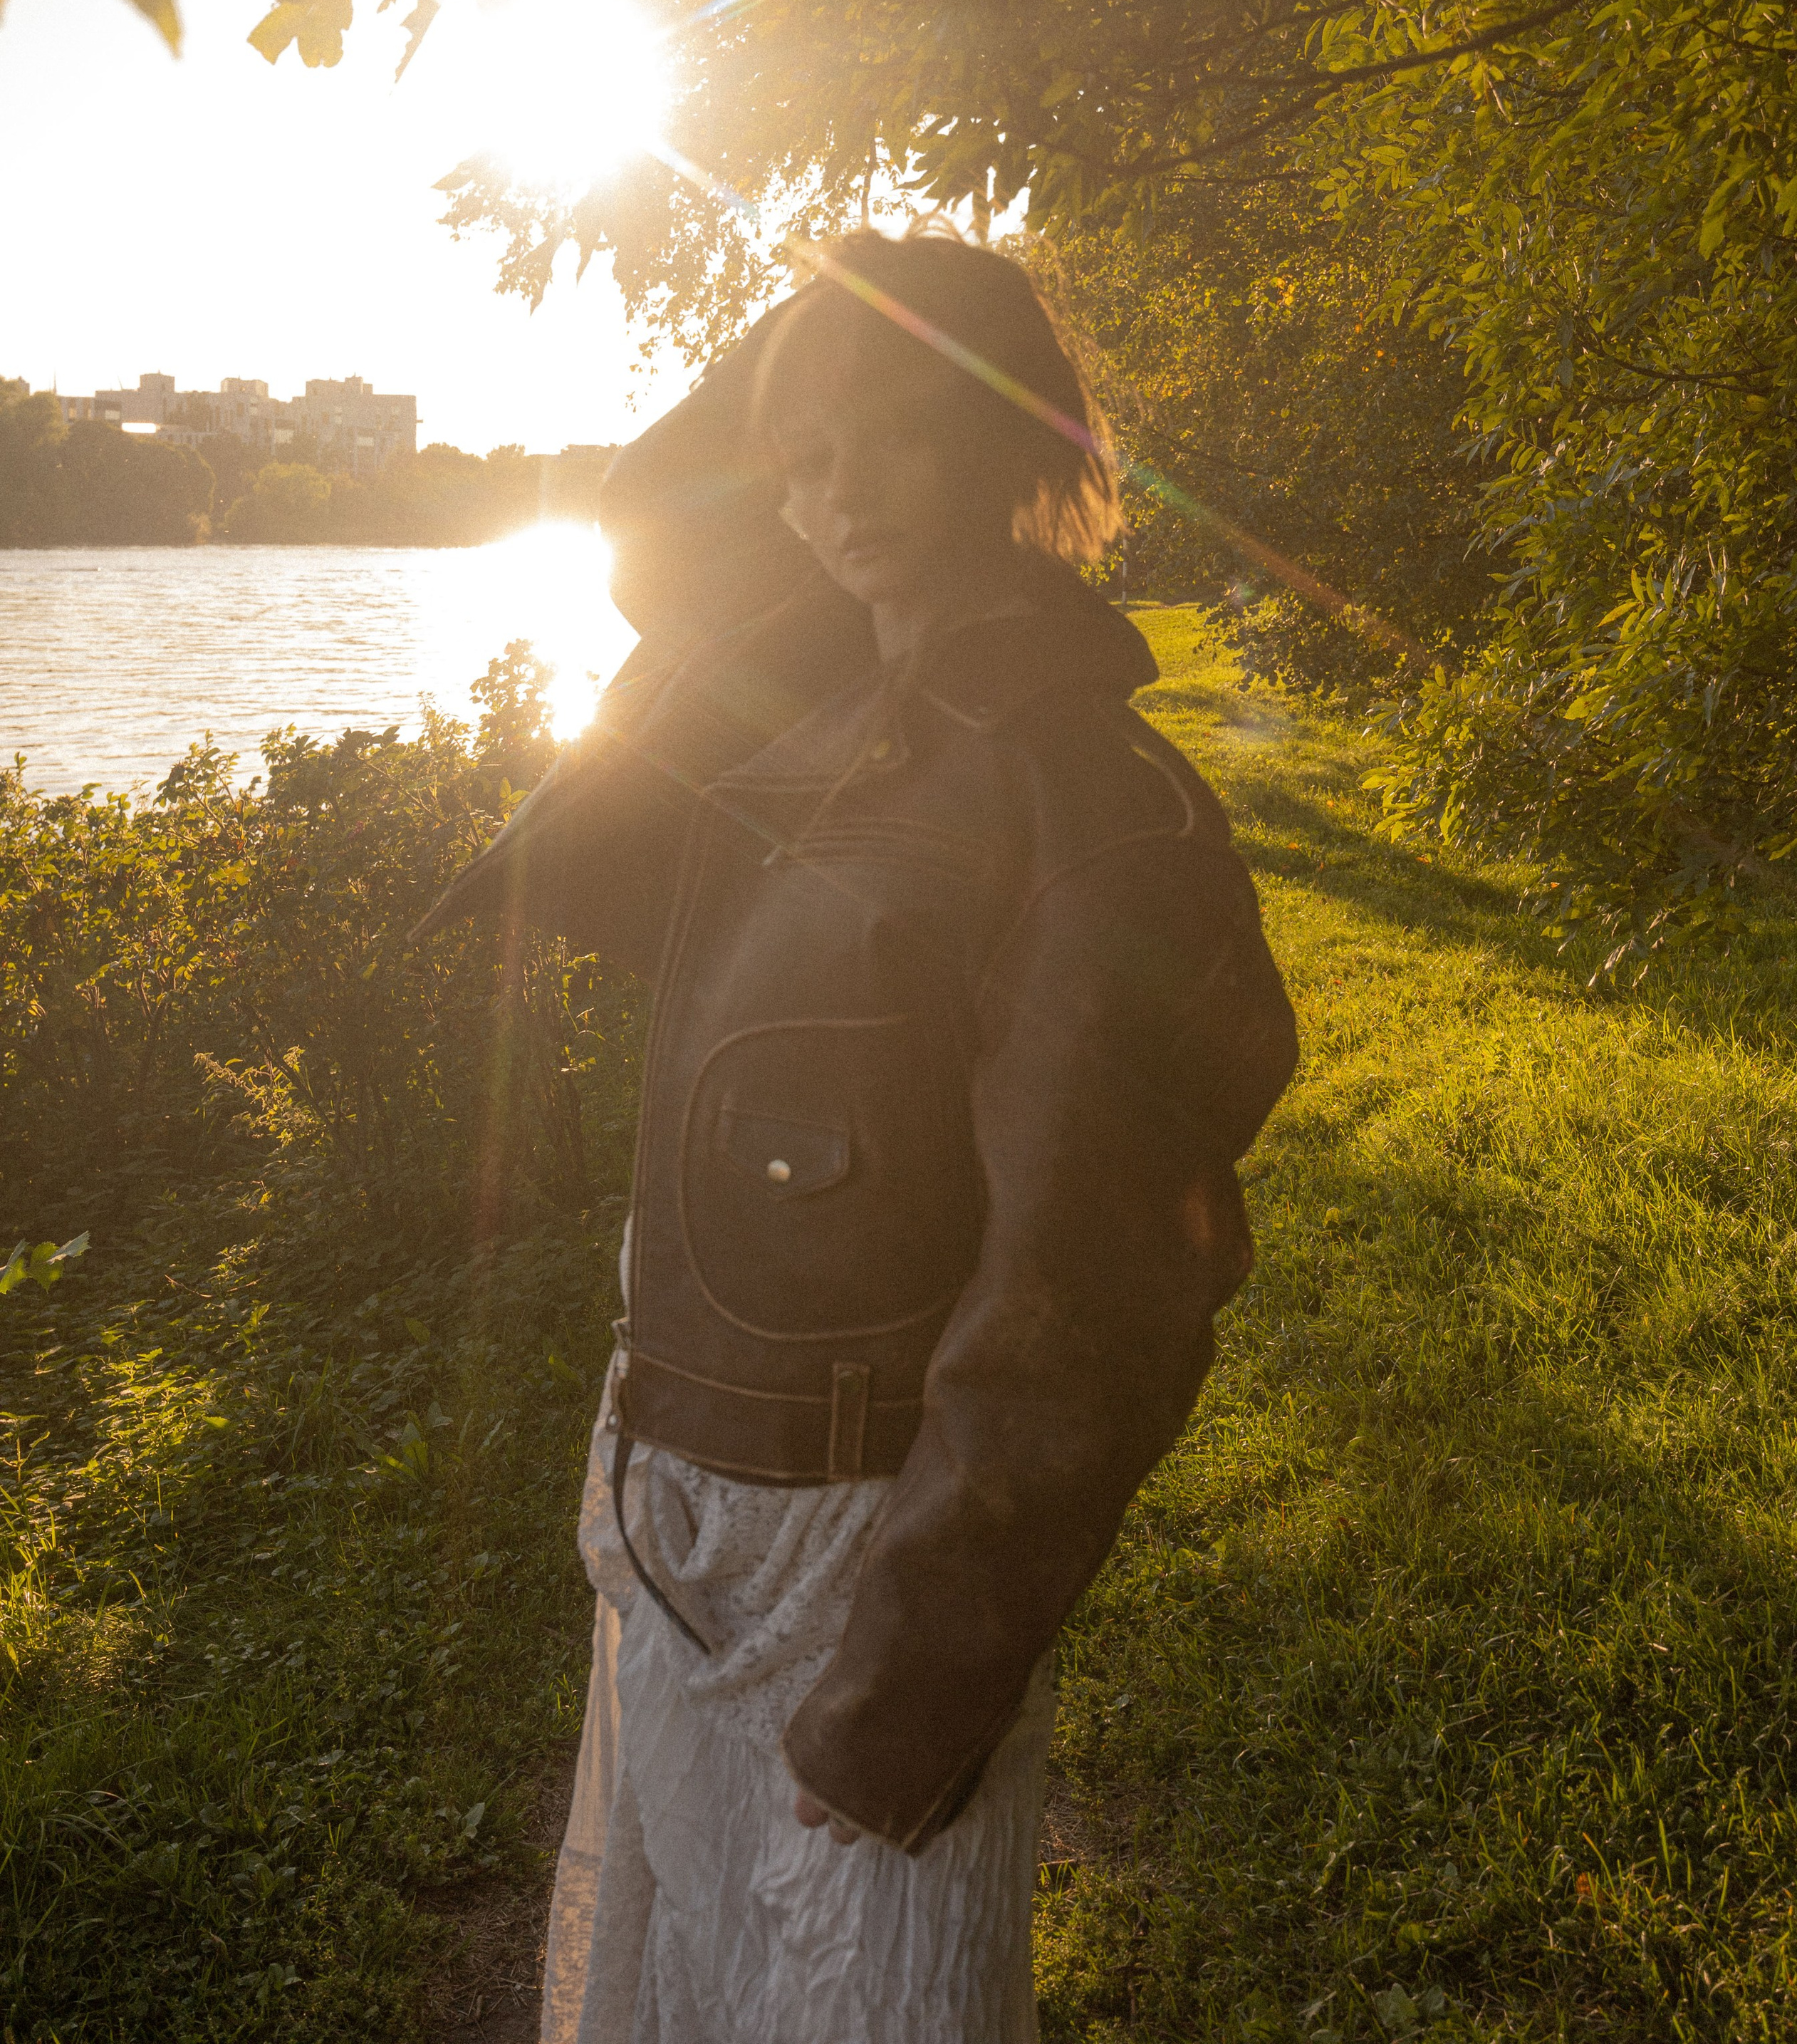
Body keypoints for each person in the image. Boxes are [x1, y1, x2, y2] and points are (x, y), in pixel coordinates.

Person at [427, 232, 1297, 2044]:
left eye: (893, 433)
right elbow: (656, 512)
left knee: (863, 2002)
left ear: (1004, 434)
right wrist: (831, 319)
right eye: (804, 456)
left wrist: (914, 1680)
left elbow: (1095, 1301)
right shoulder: (789, 712)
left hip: (860, 1554)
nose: (834, 496)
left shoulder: (1085, 800)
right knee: (684, 1988)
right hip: (672, 1499)